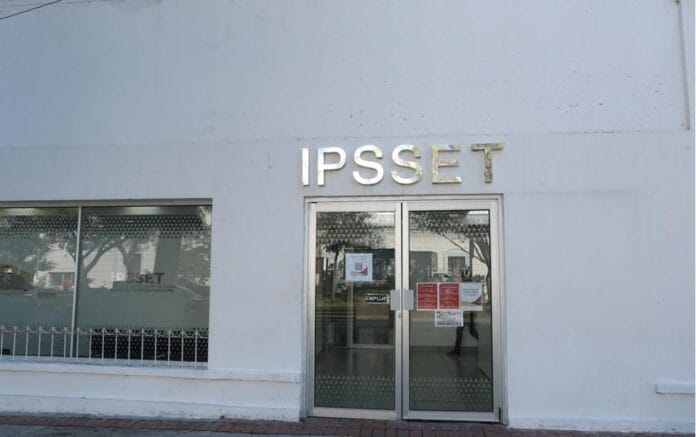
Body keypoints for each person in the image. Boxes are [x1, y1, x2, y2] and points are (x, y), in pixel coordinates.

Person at [447, 267, 478, 356]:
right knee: (462, 331)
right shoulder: (466, 284)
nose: (461, 277)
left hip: (467, 313)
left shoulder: (468, 285)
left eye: (462, 275)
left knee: (471, 331)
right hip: (465, 312)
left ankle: (487, 344)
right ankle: (457, 350)